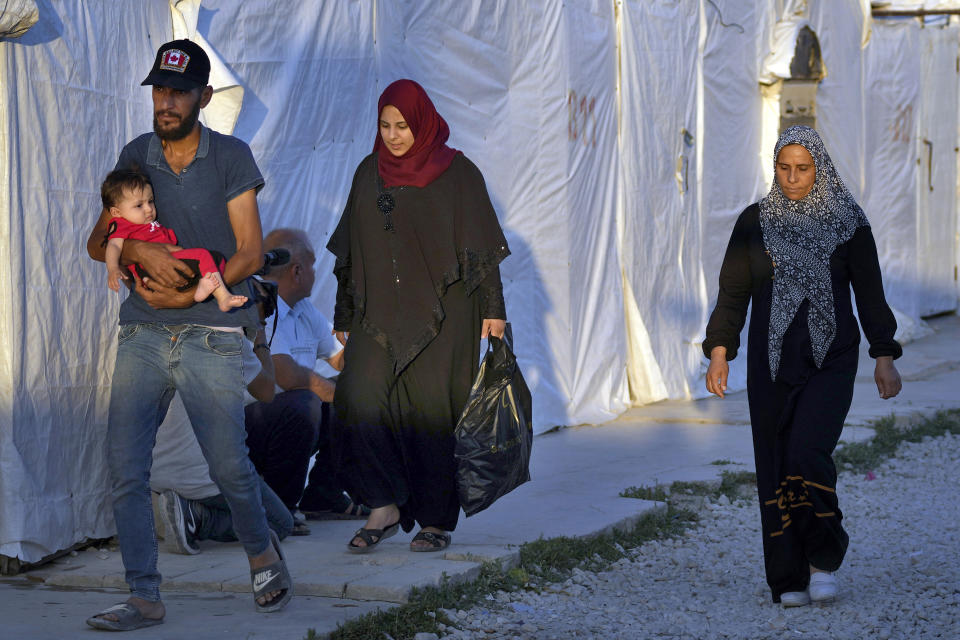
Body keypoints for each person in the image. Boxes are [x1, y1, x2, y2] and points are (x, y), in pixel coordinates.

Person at [84, 40, 291, 630]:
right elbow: (98, 244)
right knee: (125, 468)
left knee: (228, 464)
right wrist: (142, 245)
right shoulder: (136, 155)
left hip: (213, 329)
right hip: (143, 334)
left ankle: (261, 554)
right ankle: (144, 597)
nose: (166, 101)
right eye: (159, 89)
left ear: (203, 96)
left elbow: (251, 253)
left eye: (178, 91)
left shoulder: (231, 156)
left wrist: (188, 292)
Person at [703, 125, 903, 608]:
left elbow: (869, 292)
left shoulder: (848, 222)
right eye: (783, 168)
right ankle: (789, 577)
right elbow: (733, 293)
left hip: (831, 357)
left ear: (820, 168)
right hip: (770, 364)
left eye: (803, 168)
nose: (792, 178)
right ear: (774, 167)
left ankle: (822, 560)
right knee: (774, 463)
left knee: (807, 454)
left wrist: (884, 354)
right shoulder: (754, 222)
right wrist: (719, 351)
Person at [328, 79, 510, 553]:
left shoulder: (457, 172)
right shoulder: (369, 172)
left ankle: (434, 519)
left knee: (432, 413)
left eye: (402, 126)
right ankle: (383, 504)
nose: (393, 135)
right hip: (377, 312)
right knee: (357, 398)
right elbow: (349, 249)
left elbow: (481, 248)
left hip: (447, 310)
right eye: (385, 126)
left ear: (422, 122)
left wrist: (495, 310)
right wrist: (343, 312)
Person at [152, 290, 294, 552]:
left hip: (151, 469)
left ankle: (177, 505)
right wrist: (260, 338)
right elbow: (267, 391)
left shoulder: (156, 331)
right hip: (199, 476)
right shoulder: (228, 340)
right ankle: (198, 518)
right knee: (281, 523)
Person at [243, 228, 364, 531]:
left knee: (356, 387)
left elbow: (340, 360)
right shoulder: (260, 304)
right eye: (311, 265)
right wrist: (348, 397)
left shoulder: (304, 309)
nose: (315, 271)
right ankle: (281, 508)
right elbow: (286, 376)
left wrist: (364, 339)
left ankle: (323, 495)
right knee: (308, 400)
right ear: (297, 271)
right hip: (247, 430)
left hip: (287, 421)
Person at [101, 168, 247, 312]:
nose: (148, 209)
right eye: (139, 205)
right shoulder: (121, 224)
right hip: (151, 271)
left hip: (170, 266)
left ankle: (200, 288)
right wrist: (112, 268)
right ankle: (223, 298)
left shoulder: (149, 223)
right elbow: (113, 245)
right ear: (116, 212)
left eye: (150, 201)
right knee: (203, 255)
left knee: (218, 259)